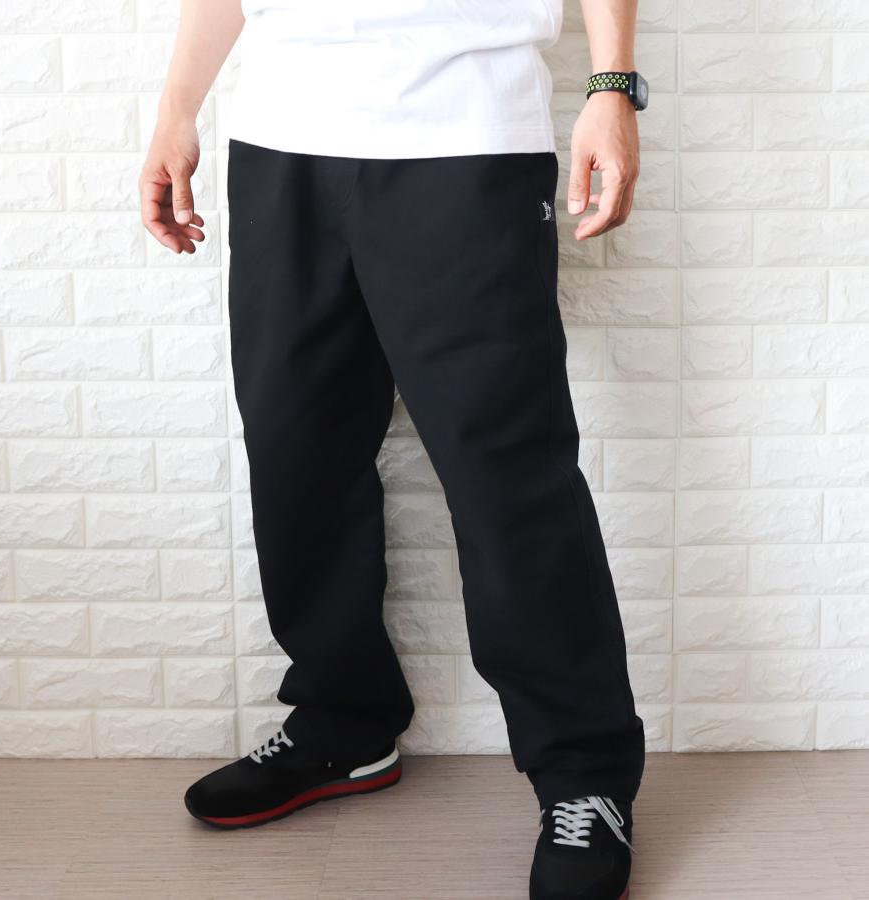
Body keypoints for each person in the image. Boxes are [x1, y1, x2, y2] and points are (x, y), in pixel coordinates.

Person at [139, 1, 648, 897]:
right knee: (296, 453)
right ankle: (344, 723)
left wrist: (612, 87)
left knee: (506, 474)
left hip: (466, 135)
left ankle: (585, 773)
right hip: (281, 142)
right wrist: (178, 107)